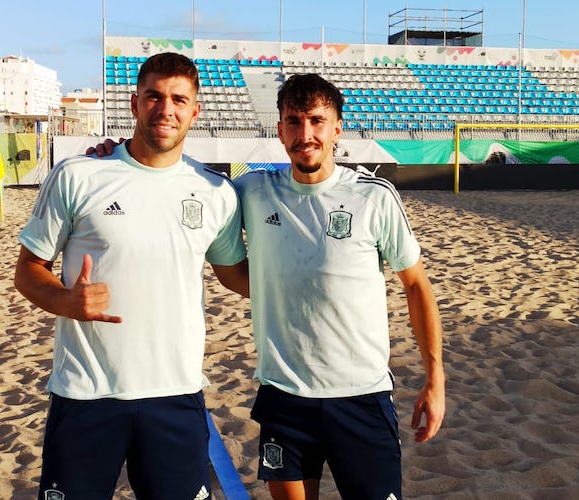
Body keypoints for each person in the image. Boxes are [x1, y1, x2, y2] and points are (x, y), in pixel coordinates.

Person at [91, 72, 445, 500]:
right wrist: (113, 155)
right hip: (284, 396)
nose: (306, 134)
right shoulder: (251, 192)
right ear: (279, 130)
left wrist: (434, 380)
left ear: (337, 128)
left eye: (317, 121)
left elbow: (417, 288)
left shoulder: (374, 197)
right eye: (294, 122)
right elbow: (175, 188)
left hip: (361, 395)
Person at [14, 52, 248, 499]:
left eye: (179, 99)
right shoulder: (78, 175)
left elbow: (235, 274)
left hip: (176, 395)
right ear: (134, 103)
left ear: (195, 111)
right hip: (86, 395)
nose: (166, 109)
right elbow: (28, 271)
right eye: (154, 96)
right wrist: (65, 302)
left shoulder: (215, 191)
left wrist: (313, 282)